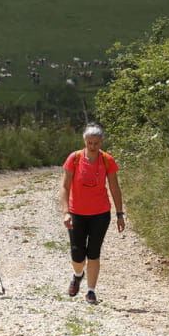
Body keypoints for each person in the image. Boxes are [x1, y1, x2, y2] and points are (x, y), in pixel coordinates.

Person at [59, 122, 125, 305]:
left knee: (93, 253)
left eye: (96, 143)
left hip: (100, 213)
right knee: (77, 254)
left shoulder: (107, 160)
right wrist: (66, 212)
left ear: (101, 142)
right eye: (89, 143)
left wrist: (120, 214)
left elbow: (114, 188)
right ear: (85, 141)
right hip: (76, 213)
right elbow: (64, 187)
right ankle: (78, 275)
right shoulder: (74, 158)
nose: (93, 147)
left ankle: (91, 291)